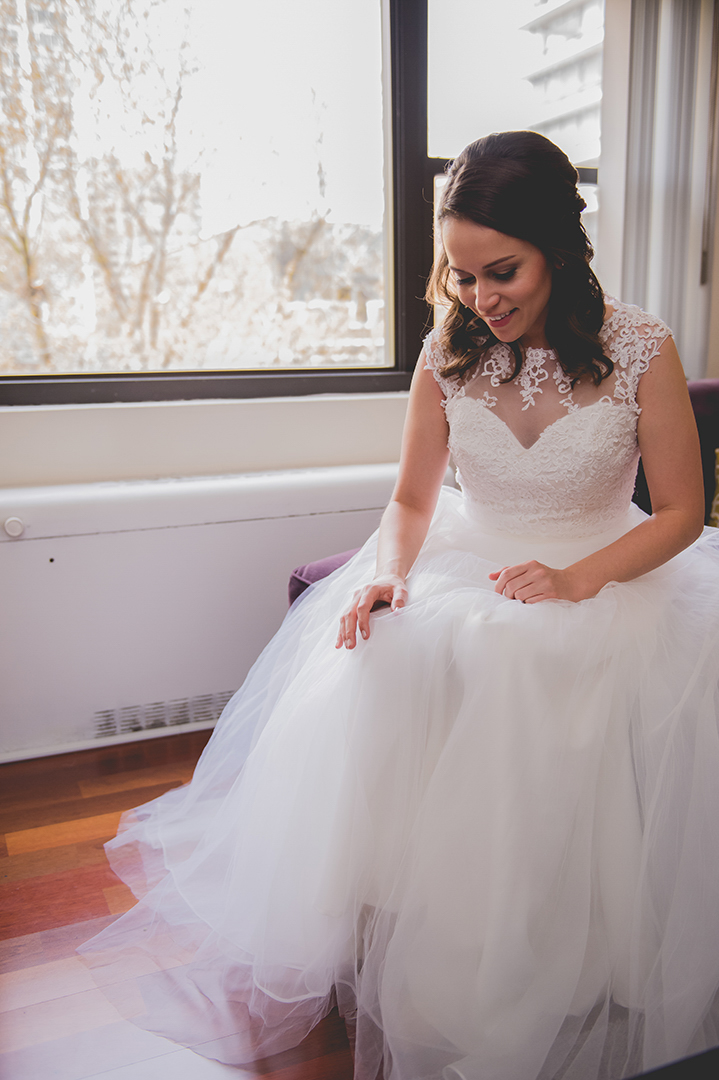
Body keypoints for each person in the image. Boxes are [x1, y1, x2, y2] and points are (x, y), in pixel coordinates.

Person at [79, 132, 719, 1080]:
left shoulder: (639, 348)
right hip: (478, 558)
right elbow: (415, 499)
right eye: (460, 276)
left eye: (500, 272)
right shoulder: (448, 351)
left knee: (528, 655)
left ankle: (569, 950)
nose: (479, 298)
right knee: (391, 638)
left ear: (557, 247)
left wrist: (580, 580)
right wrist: (391, 569)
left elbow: (680, 513)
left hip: (606, 569)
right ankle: (449, 936)